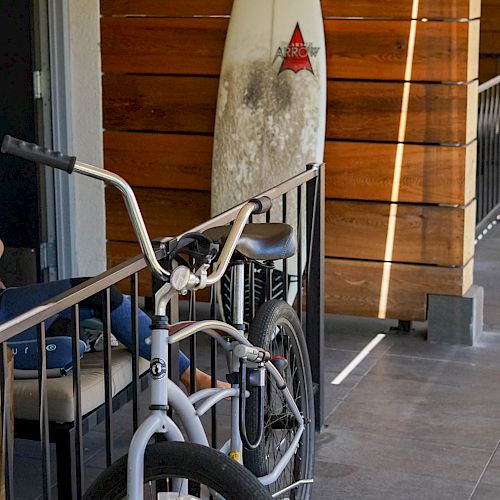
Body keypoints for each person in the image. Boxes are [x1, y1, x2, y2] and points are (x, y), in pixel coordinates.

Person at [0, 239, 225, 392]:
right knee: (73, 336)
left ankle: (191, 375)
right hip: (5, 320)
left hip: (6, 301)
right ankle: (189, 373)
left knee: (99, 293)